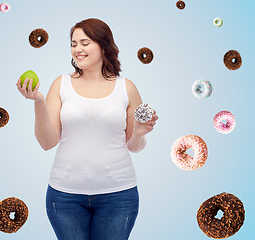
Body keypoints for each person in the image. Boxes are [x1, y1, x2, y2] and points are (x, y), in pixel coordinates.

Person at [16, 18, 159, 240]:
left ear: (104, 46)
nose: (77, 49)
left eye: (85, 43)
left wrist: (139, 133)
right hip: (64, 197)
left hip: (119, 196)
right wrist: (38, 101)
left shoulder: (126, 87)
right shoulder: (60, 84)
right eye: (73, 44)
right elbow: (47, 142)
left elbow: (134, 146)